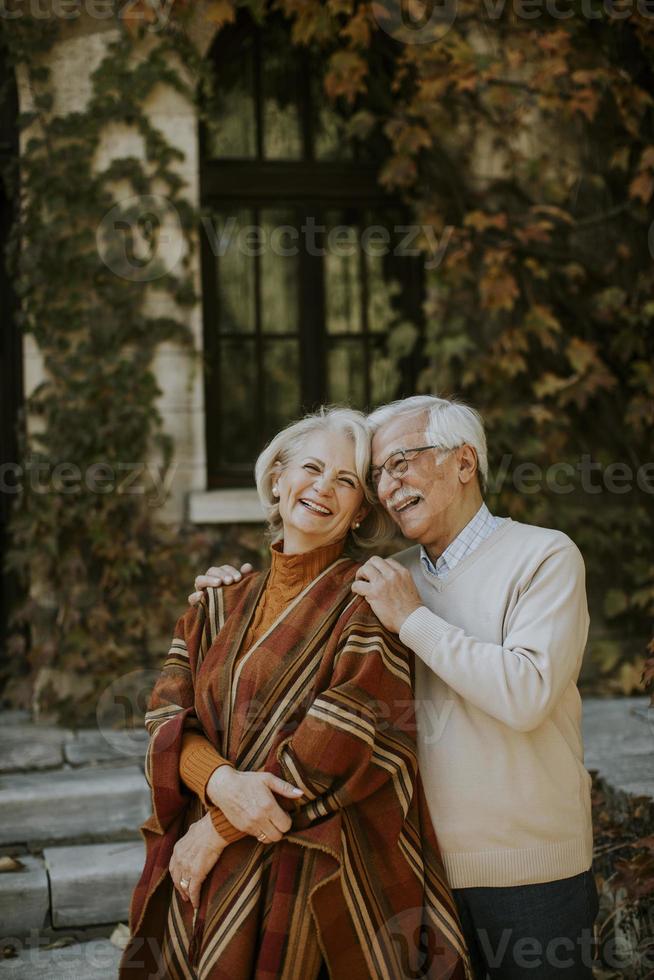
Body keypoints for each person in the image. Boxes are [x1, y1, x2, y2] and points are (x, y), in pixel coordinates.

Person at [194, 395, 598, 980]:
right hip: (413, 872)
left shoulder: (544, 556)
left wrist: (413, 619)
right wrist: (229, 594)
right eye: (378, 473)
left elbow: (527, 694)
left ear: (464, 463)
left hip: (527, 874)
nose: (388, 484)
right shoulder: (389, 575)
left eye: (402, 461)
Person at [120, 407, 471, 980]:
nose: (323, 489)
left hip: (309, 872)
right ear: (277, 479)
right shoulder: (218, 601)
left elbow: (340, 748)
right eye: (311, 468)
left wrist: (218, 827)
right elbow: (166, 714)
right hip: (207, 869)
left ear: (360, 512)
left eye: (347, 482)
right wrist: (219, 783)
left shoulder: (366, 606)